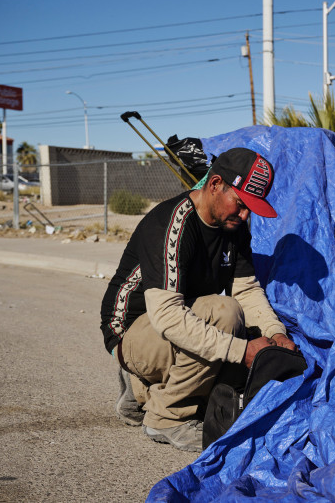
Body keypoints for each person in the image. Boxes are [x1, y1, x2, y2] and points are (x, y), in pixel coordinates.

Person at [100, 147, 296, 452]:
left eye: (251, 209)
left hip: (166, 331)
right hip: (132, 334)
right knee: (226, 314)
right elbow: (167, 316)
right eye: (241, 204)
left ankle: (142, 388)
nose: (245, 215)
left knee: (246, 360)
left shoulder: (233, 227)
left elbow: (245, 290)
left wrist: (275, 332)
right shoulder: (173, 223)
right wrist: (241, 349)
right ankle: (166, 419)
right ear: (215, 184)